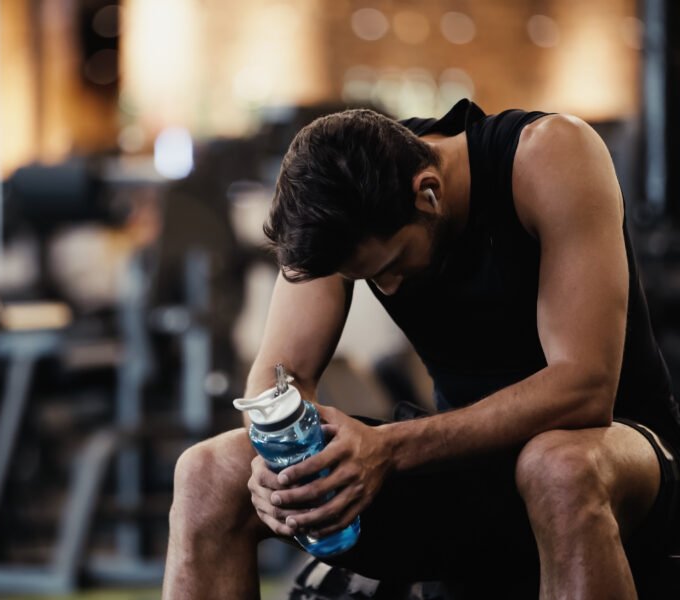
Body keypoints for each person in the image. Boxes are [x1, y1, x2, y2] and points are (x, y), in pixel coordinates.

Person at [161, 98, 680, 599]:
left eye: (390, 266)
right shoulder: (336, 203)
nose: (388, 287)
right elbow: (281, 376)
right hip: (460, 461)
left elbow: (584, 389)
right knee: (209, 473)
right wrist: (280, 463)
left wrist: (389, 447)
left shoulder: (550, 154)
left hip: (618, 454)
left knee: (558, 466)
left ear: (427, 193)